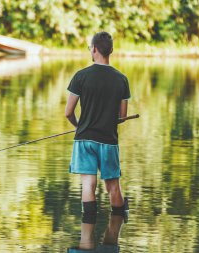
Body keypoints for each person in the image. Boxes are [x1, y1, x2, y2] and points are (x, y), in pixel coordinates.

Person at [65, 31, 130, 216]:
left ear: (93, 49)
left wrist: (79, 126)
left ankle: (87, 232)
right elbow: (123, 116)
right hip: (109, 140)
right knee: (113, 185)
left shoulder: (81, 76)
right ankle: (117, 223)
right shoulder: (122, 79)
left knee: (88, 184)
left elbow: (68, 112)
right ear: (111, 50)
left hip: (84, 139)